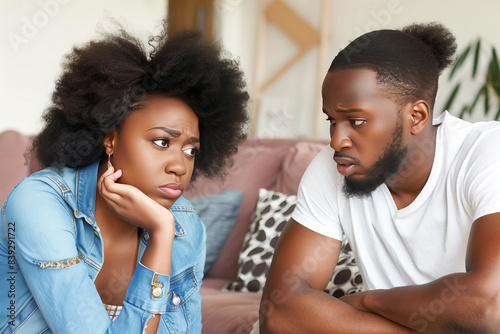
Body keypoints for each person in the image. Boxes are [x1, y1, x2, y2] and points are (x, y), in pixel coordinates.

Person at [0, 25, 248, 333]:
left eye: (191, 150)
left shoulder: (182, 226)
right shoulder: (39, 204)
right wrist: (160, 234)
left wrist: (162, 233)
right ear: (110, 139)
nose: (180, 167)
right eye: (161, 142)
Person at [260, 22, 500, 333]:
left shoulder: (485, 153)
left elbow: (488, 307)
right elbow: (278, 312)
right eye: (332, 120)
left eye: (356, 120)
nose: (336, 140)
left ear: (416, 116)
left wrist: (367, 301)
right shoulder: (332, 167)